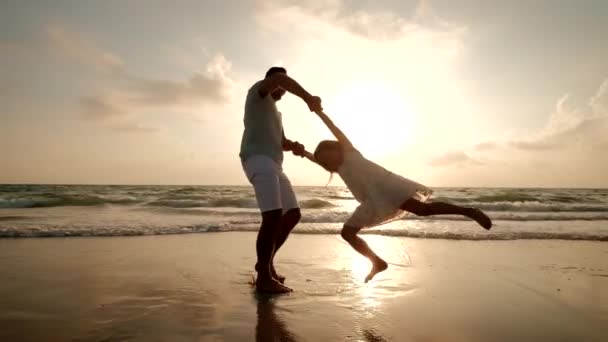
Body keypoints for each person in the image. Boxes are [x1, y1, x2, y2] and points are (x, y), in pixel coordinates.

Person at [304, 110, 492, 283]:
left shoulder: (350, 152)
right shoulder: (340, 168)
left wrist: (319, 112)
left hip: (389, 188)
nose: (327, 160)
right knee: (347, 233)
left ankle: (469, 211)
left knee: (423, 210)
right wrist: (303, 153)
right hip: (372, 201)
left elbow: (335, 129)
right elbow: (318, 161)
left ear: (336, 148)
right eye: (324, 161)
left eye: (328, 155)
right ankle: (377, 262)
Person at [240, 66, 322, 293]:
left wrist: (292, 145)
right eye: (281, 85)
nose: (282, 90)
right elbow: (278, 78)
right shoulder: (257, 93)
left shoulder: (276, 113)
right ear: (271, 82)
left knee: (292, 214)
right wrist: (308, 98)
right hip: (256, 159)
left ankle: (265, 264)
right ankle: (264, 278)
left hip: (275, 163)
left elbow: (281, 141)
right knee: (273, 215)